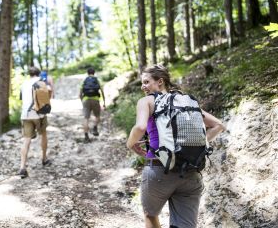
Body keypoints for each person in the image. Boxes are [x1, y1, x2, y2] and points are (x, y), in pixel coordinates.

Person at [126, 64, 225, 228]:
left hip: (159, 170)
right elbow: (218, 125)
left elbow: (140, 127)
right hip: (191, 173)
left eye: (146, 82)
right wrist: (200, 144)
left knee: (150, 215)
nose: (143, 87)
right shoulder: (184, 101)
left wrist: (130, 144)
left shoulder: (147, 101)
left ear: (160, 82)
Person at [18, 66, 51, 178]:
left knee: (26, 140)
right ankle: (44, 159)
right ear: (38, 73)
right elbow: (48, 95)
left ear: (29, 74)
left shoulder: (24, 84)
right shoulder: (41, 82)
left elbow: (22, 99)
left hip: (25, 115)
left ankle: (22, 167)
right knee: (43, 135)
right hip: (39, 114)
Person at [79, 68, 106, 143]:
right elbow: (102, 92)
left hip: (86, 100)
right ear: (94, 73)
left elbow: (80, 94)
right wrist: (104, 102)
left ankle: (86, 136)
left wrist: (82, 101)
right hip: (95, 100)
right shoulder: (97, 80)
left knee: (86, 118)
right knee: (97, 116)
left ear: (87, 73)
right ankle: (95, 127)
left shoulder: (84, 80)